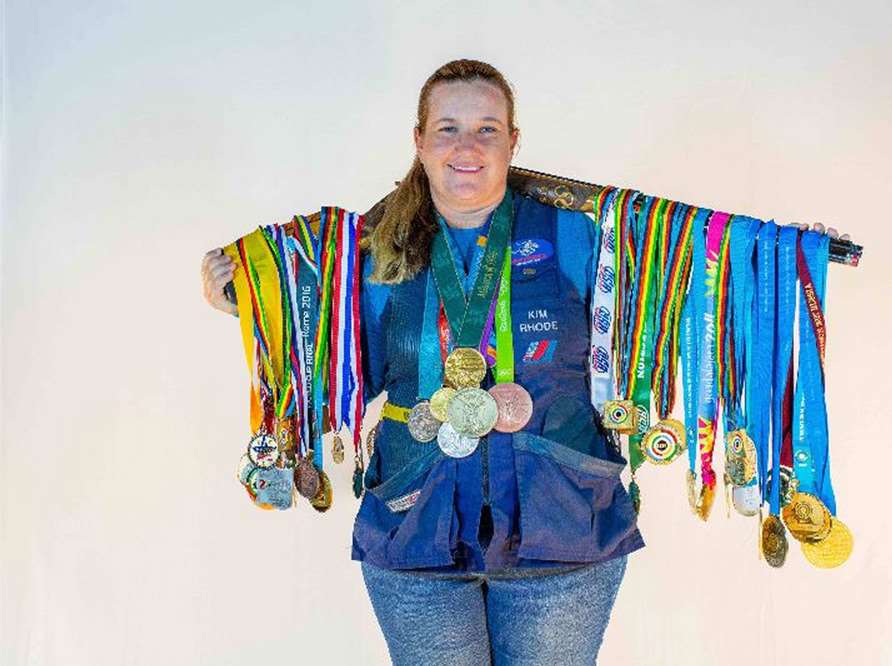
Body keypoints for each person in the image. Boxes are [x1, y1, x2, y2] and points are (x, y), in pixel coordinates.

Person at [201, 59, 848, 665]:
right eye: (449, 128)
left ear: (513, 140)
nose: (468, 146)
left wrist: (776, 255)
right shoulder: (370, 252)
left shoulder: (576, 231)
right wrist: (248, 302)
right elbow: (336, 357)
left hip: (563, 532)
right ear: (420, 140)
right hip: (412, 527)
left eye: (487, 129)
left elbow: (675, 276)